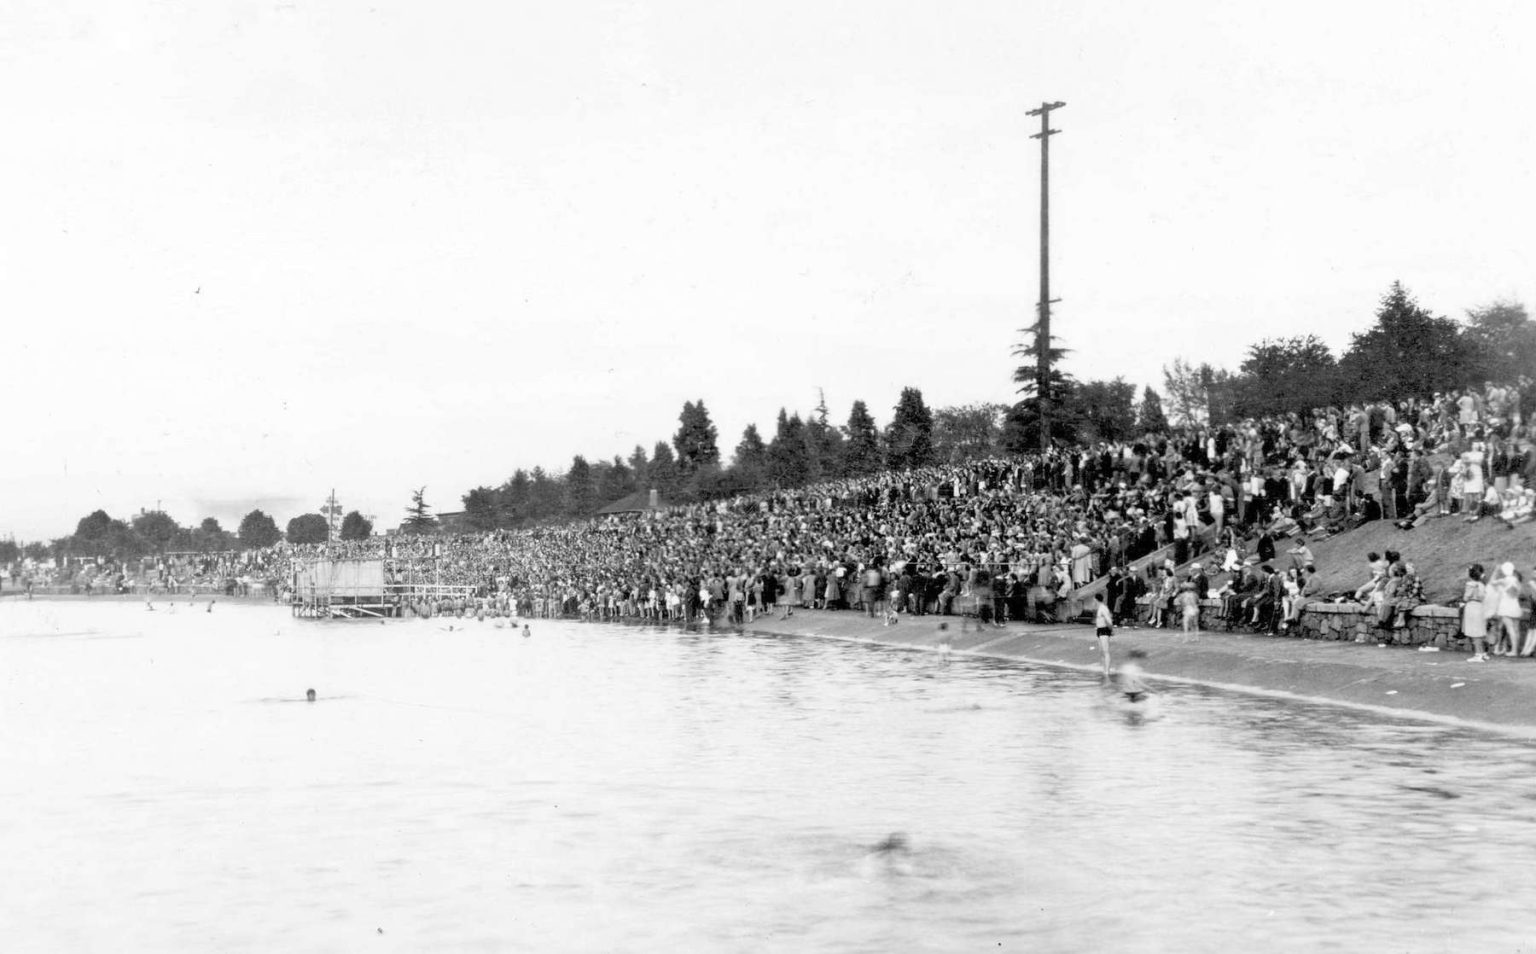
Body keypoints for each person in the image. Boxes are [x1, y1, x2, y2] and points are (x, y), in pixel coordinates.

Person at [1461, 564, 1489, 662]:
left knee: (1474, 632)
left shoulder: (1470, 584)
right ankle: (1483, 653)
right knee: (1480, 631)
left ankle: (1478, 654)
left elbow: (1466, 597)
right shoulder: (1482, 584)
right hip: (1481, 607)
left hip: (1472, 608)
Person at [1093, 592, 1114, 677]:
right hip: (1099, 630)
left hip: (1104, 630)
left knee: (1106, 651)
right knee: (1101, 651)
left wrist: (1111, 630)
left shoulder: (1103, 608)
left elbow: (1109, 621)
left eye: (1094, 600)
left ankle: (1107, 671)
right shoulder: (1099, 608)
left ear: (1096, 600)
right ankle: (1104, 669)